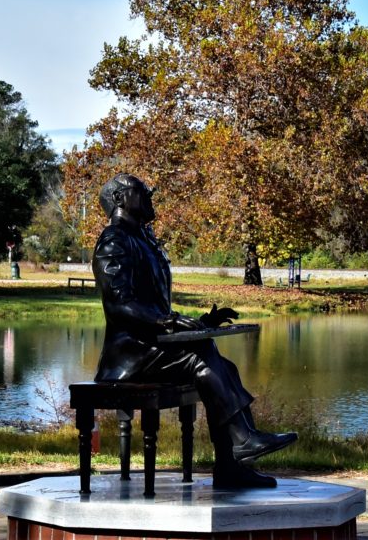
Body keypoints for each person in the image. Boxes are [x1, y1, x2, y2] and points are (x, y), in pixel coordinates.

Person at [91, 173, 297, 489]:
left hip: (152, 345)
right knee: (201, 355)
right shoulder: (114, 241)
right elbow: (120, 306)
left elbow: (156, 309)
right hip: (129, 356)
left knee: (223, 366)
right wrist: (165, 323)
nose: (148, 194)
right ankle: (242, 441)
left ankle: (232, 467)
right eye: (140, 190)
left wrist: (202, 323)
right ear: (119, 198)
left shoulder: (142, 240)